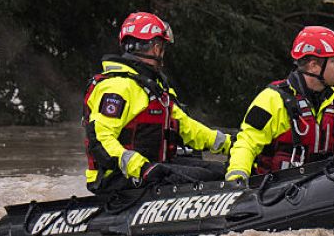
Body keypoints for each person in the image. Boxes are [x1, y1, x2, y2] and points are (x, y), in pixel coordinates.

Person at [83, 12, 232, 193]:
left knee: (220, 171)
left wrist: (229, 143)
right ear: (155, 48)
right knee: (210, 178)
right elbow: (100, 138)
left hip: (153, 168)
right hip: (120, 177)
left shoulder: (155, 87)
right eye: (162, 47)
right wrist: (141, 168)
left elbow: (186, 127)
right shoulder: (118, 87)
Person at [225, 26, 334, 184]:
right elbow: (247, 142)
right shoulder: (272, 100)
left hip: (325, 187)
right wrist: (237, 175)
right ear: (313, 65)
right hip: (274, 191)